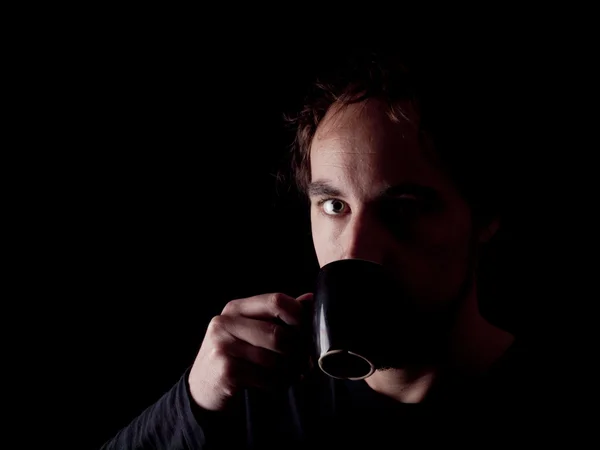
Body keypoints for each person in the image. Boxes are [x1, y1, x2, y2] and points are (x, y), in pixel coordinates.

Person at [101, 48, 567, 449]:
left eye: (403, 209)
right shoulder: (251, 390)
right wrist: (193, 401)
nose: (355, 247)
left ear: (484, 217)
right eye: (334, 204)